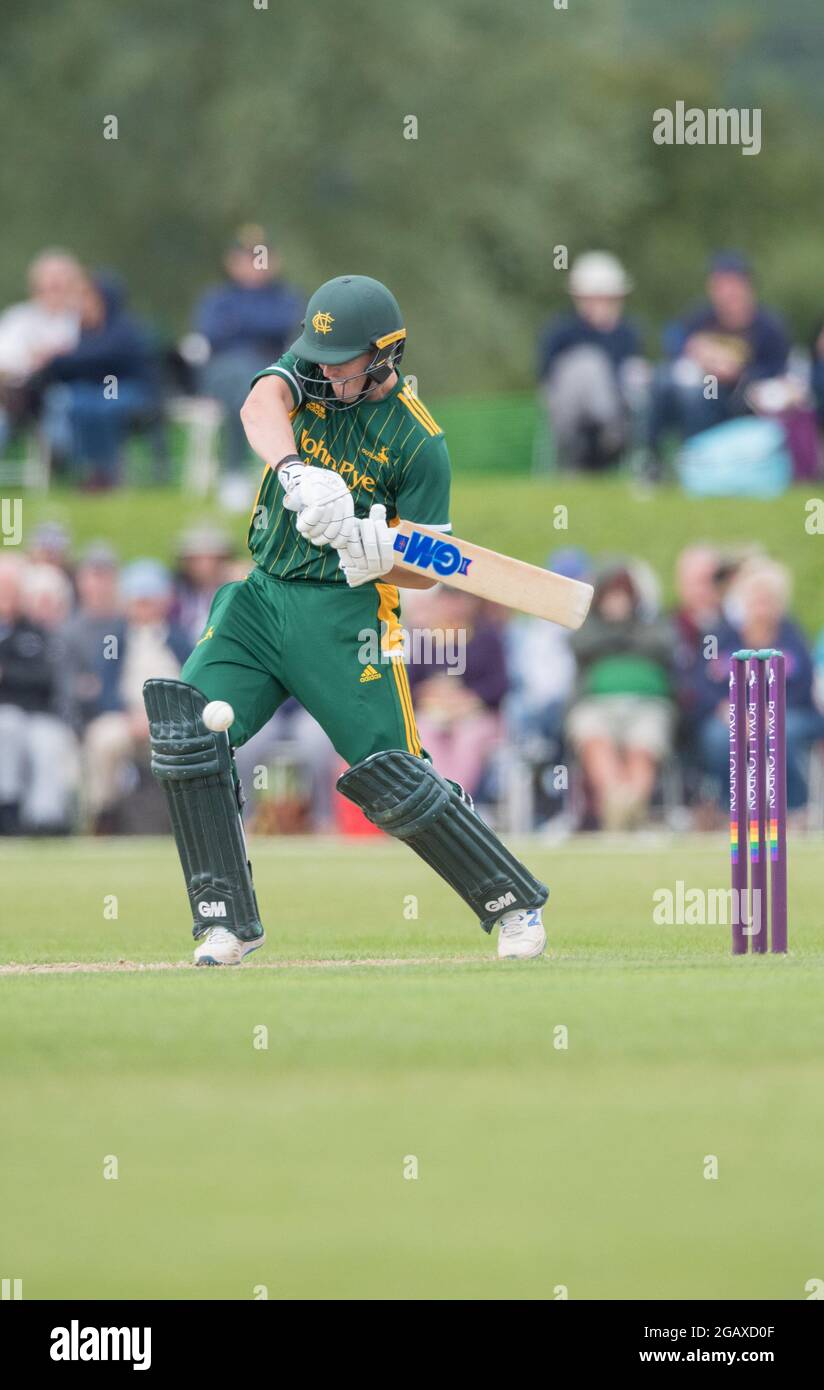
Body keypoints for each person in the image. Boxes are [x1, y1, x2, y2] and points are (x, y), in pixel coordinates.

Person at [143, 274, 549, 965]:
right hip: (262, 595)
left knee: (392, 775)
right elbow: (257, 405)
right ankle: (225, 921)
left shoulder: (420, 442)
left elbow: (430, 565)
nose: (329, 371)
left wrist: (376, 552)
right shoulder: (304, 375)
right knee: (186, 735)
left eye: (346, 360)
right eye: (321, 357)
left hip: (349, 613)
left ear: (385, 355)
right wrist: (296, 470)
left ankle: (512, 904)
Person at [694, 560, 824, 814]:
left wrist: (769, 713)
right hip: (731, 714)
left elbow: (803, 684)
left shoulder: (793, 636)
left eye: (768, 600)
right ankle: (729, 806)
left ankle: (792, 807)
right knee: (719, 738)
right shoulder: (716, 635)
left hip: (785, 712)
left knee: (780, 735)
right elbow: (703, 679)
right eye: (756, 599)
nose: (761, 607)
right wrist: (727, 709)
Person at [647, 252, 790, 466]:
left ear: (747, 287)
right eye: (720, 286)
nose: (726, 293)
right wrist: (699, 353)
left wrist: (735, 372)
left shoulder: (768, 328)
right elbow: (674, 343)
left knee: (698, 393)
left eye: (732, 285)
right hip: (703, 382)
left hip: (739, 395)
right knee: (663, 381)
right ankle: (651, 458)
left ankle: (696, 460)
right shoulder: (700, 319)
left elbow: (775, 370)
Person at [192, 225, 304, 492]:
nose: (255, 265)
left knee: (257, 381)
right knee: (246, 386)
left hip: (271, 369)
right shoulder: (217, 299)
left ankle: (286, 467)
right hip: (223, 372)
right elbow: (211, 334)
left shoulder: (287, 298)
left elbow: (290, 328)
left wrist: (241, 324)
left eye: (261, 258)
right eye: (247, 258)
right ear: (232, 263)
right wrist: (261, 327)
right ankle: (236, 471)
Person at [567, 562, 675, 830]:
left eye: (623, 593)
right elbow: (580, 644)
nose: (617, 601)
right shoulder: (587, 628)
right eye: (611, 594)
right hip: (595, 705)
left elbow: (661, 645)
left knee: (642, 745)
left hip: (647, 706)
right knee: (594, 738)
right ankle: (617, 798)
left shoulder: (654, 624)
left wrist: (619, 634)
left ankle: (630, 803)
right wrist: (620, 635)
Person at [83, 560, 190, 832]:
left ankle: (183, 819)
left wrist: (159, 717)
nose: (142, 609)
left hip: (169, 720)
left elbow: (192, 684)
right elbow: (105, 688)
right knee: (102, 739)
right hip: (126, 718)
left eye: (148, 602)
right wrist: (129, 716)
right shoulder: (114, 640)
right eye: (137, 602)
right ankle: (103, 816)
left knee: (188, 745)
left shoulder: (180, 640)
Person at [28, 271, 161, 487]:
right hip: (100, 390)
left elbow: (100, 357)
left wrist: (55, 358)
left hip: (128, 388)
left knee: (104, 406)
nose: (83, 304)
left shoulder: (124, 329)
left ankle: (107, 472)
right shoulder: (85, 329)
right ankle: (88, 470)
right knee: (78, 404)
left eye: (89, 298)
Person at [537, 252, 644, 471]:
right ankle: (609, 430)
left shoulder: (627, 334)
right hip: (569, 413)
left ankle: (615, 435)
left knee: (637, 373)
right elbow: (546, 380)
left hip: (618, 405)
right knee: (589, 363)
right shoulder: (562, 332)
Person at [0, 556, 78, 833]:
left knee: (45, 741)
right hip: (9, 716)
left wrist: (8, 675)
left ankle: (42, 821)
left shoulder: (34, 633)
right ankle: (7, 812)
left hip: (37, 713)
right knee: (7, 726)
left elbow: (46, 677)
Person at [0, 250, 84, 453]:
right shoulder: (18, 318)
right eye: (49, 284)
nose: (54, 290)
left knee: (62, 400)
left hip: (71, 392)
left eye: (60, 284)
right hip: (21, 394)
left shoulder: (83, 320)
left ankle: (62, 461)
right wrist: (32, 360)